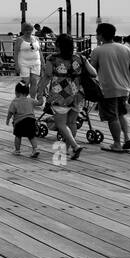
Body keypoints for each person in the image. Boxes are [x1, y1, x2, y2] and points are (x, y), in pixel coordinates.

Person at [35, 32, 96, 162]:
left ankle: (75, 146)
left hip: (60, 95)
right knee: (72, 122)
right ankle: (69, 150)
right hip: (77, 94)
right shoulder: (80, 58)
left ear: (58, 45)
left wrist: (39, 92)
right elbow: (93, 73)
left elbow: (47, 76)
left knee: (60, 123)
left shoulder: (52, 59)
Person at [88, 22, 130, 153]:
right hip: (124, 88)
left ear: (101, 35)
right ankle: (127, 137)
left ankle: (116, 143)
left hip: (107, 89)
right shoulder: (126, 49)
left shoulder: (97, 50)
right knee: (121, 114)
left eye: (97, 34)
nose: (96, 36)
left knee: (112, 117)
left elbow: (92, 72)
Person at [6, 82, 41, 159]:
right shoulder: (31, 100)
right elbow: (40, 103)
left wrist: (8, 119)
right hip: (31, 121)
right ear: (27, 92)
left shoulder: (15, 101)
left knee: (18, 136)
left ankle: (17, 150)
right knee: (32, 136)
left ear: (16, 92)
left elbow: (10, 112)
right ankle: (35, 149)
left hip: (19, 122)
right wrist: (40, 96)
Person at [14, 23, 42, 99]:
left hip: (36, 63)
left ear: (32, 30)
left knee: (34, 81)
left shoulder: (36, 38)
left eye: (29, 30)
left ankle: (32, 99)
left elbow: (39, 51)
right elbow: (16, 53)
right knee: (26, 82)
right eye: (26, 30)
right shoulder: (19, 39)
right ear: (23, 31)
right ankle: (22, 97)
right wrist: (16, 65)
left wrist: (43, 63)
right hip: (24, 63)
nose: (28, 31)